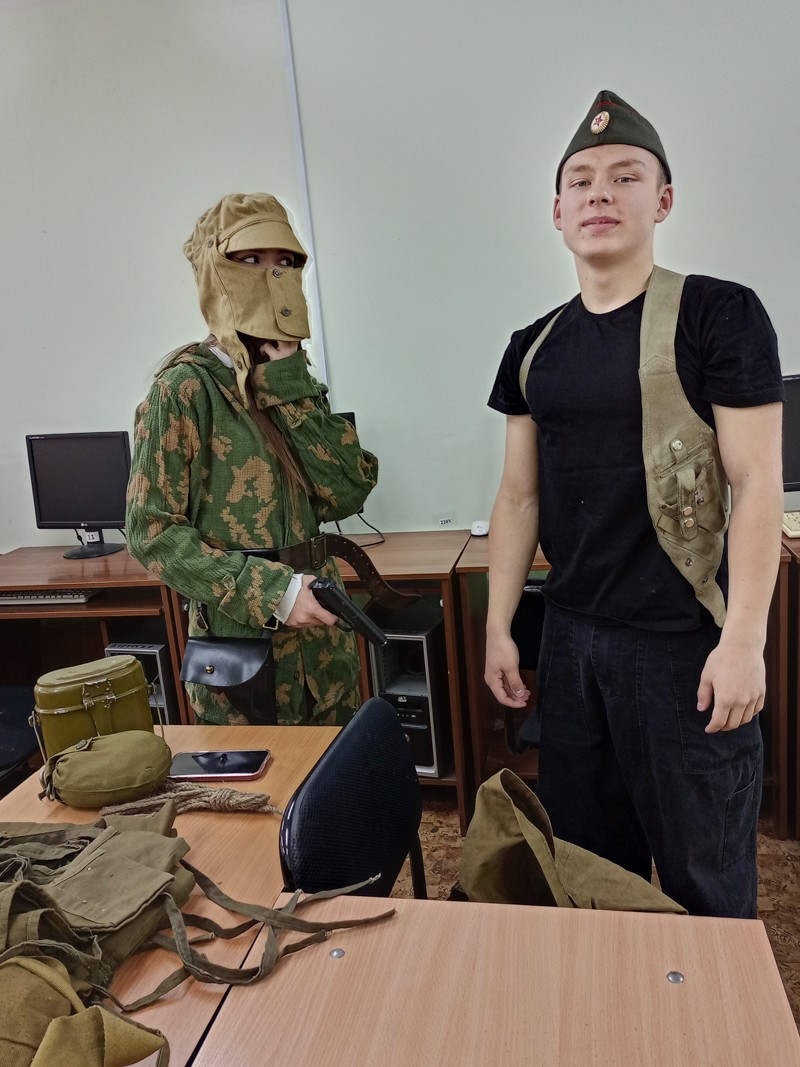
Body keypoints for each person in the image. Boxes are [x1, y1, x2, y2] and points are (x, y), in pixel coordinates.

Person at [484, 91, 784, 917]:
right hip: (574, 644)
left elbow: (758, 481)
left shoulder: (718, 314)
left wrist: (744, 640)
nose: (600, 194)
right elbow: (518, 495)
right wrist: (500, 623)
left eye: (625, 176)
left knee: (705, 881)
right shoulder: (532, 348)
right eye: (580, 181)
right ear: (557, 212)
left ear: (664, 199)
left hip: (682, 645)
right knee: (589, 876)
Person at [126, 192, 378, 727]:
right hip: (243, 653)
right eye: (250, 260)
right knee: (260, 779)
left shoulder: (293, 381)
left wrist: (288, 385)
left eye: (285, 261)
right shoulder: (185, 389)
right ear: (215, 273)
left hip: (323, 649)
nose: (272, 276)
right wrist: (273, 592)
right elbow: (151, 532)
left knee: (337, 772)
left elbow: (347, 493)